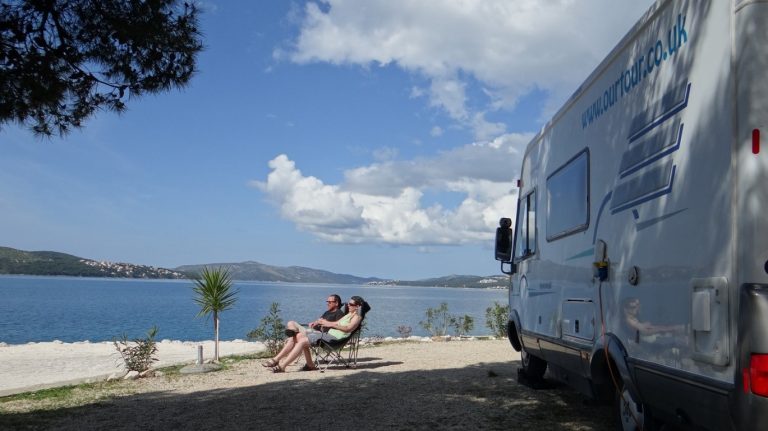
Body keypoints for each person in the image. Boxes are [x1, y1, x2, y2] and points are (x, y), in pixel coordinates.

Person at [265, 295, 366, 373]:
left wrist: (328, 324)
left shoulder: (357, 317)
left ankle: (283, 366)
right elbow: (336, 323)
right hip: (328, 336)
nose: (348, 305)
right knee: (298, 337)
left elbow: (348, 329)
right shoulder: (349, 314)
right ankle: (310, 365)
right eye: (348, 303)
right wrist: (322, 322)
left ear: (357, 307)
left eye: (351, 304)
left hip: (334, 339)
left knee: (302, 341)